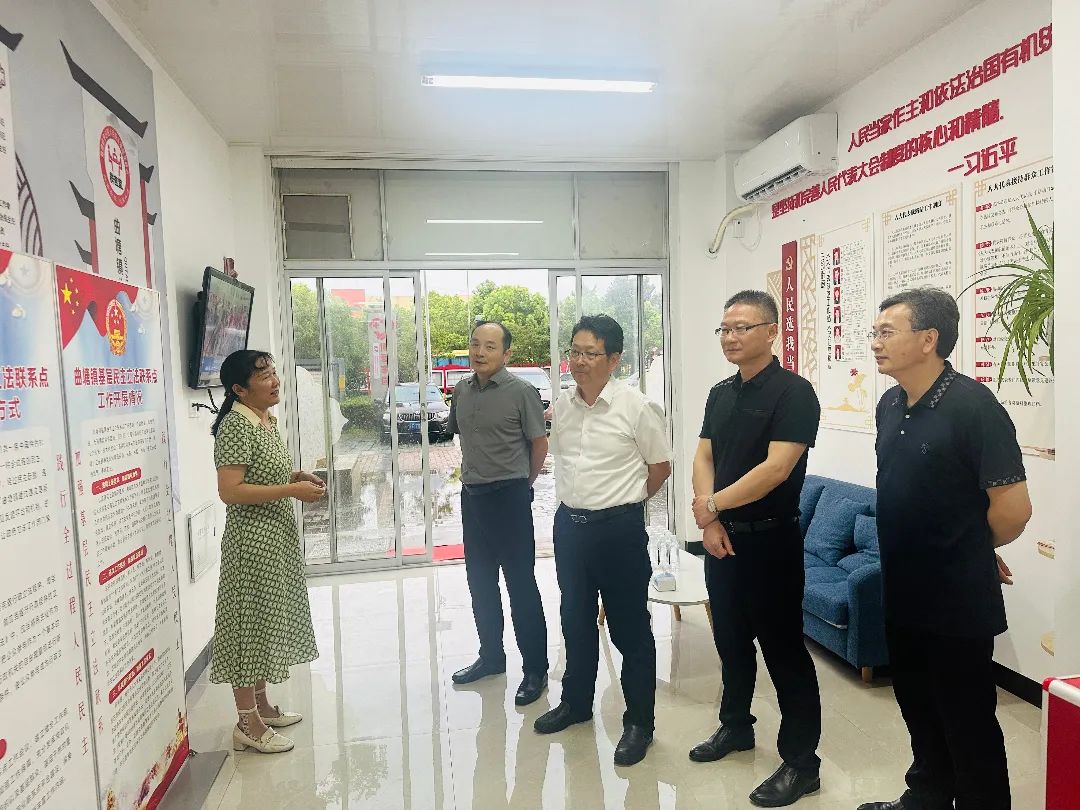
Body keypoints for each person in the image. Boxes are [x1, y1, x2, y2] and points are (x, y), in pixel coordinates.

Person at [858, 289, 1031, 810]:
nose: (875, 343)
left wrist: (969, 547)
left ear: (928, 339)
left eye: (887, 332)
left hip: (956, 598)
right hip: (902, 586)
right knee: (917, 705)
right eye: (874, 332)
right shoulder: (890, 404)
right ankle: (928, 795)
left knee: (967, 719)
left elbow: (1014, 509)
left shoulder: (974, 406)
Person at [690, 290, 822, 808]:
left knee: (784, 652)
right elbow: (704, 454)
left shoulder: (794, 393)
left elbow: (777, 469)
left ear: (772, 331)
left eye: (742, 327)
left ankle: (801, 763)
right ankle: (736, 726)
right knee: (730, 642)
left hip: (772, 541)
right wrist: (710, 518)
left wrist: (712, 505)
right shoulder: (720, 392)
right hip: (722, 540)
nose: (730, 337)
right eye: (724, 328)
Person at [534, 314, 672, 768]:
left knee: (630, 629)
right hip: (570, 528)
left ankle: (640, 723)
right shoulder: (564, 404)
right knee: (575, 620)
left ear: (614, 359)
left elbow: (660, 468)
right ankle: (575, 704)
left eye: (590, 353)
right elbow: (564, 462)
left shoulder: (637, 407)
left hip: (619, 531)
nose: (579, 361)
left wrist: (624, 506)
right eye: (574, 352)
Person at [209, 350, 325, 754]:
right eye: (264, 377)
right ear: (239, 389)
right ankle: (247, 723)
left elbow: (260, 474)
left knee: (263, 625)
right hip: (251, 546)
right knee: (249, 630)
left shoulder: (264, 420)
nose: (274, 381)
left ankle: (261, 706)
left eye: (274, 373)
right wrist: (291, 489)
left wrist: (295, 475)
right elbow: (231, 491)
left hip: (274, 539)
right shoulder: (235, 426)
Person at [447, 321, 550, 705]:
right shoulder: (461, 390)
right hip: (472, 498)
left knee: (520, 585)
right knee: (480, 583)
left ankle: (535, 670)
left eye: (490, 346)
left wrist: (522, 484)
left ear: (506, 353)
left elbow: (539, 445)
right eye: (475, 344)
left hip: (509, 498)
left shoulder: (522, 392)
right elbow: (461, 436)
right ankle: (491, 657)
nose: (480, 352)